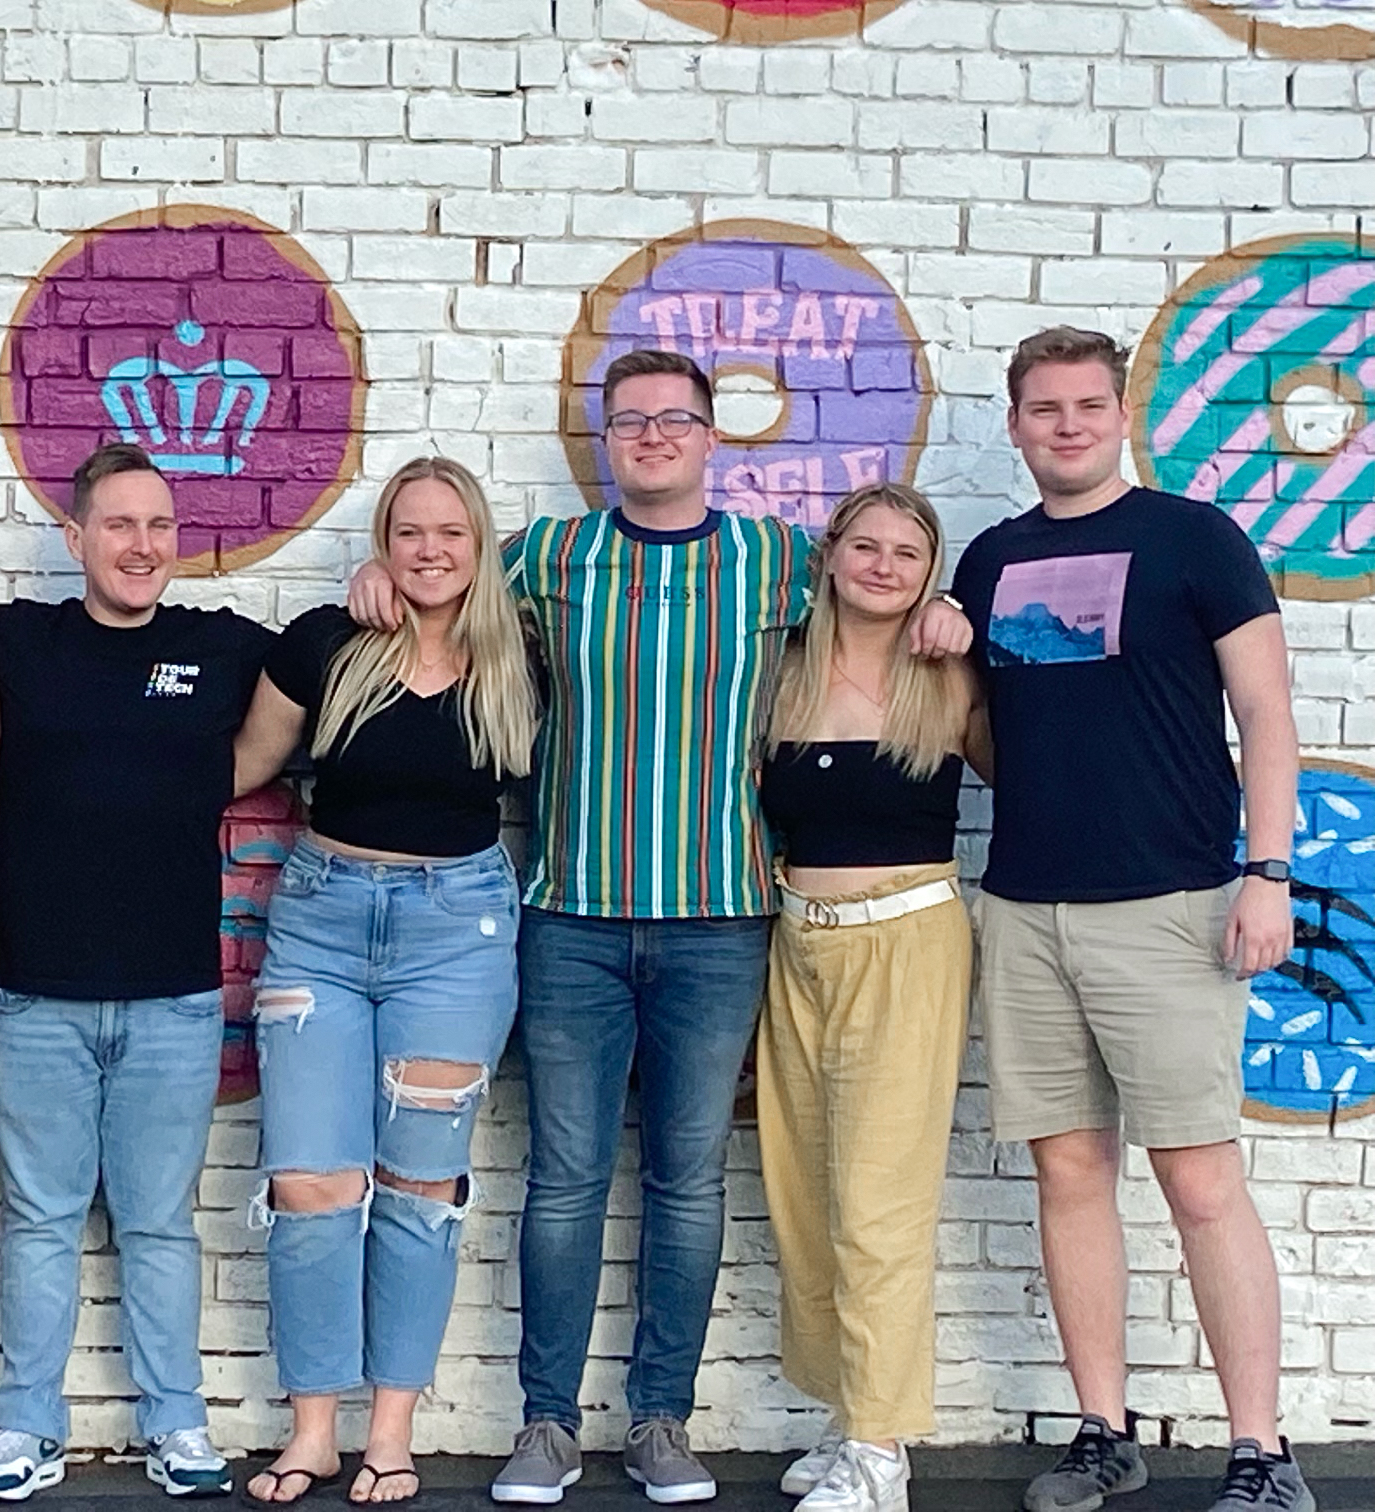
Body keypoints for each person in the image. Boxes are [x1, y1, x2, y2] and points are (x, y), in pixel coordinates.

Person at [349, 351, 971, 1507]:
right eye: (627, 421)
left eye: (672, 419)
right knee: (566, 1177)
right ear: (603, 440)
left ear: (708, 436)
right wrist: (371, 576)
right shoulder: (546, 558)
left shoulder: (780, 562)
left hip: (723, 921)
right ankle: (544, 1423)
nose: (650, 436)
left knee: (688, 1180)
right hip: (572, 919)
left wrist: (940, 606)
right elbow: (446, 581)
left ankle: (661, 1421)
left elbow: (878, 598)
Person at [950, 327, 1310, 1512]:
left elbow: (1265, 713)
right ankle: (1102, 1429)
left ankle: (1261, 1450)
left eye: (1087, 406)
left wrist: (1269, 871)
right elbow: (987, 731)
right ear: (1015, 424)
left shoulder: (1195, 537)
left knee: (1200, 1178)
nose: (1066, 425)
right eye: (1043, 407)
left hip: (1172, 907)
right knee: (1068, 1173)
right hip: (1026, 907)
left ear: (1120, 414)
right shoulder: (990, 562)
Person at [0, 444, 272, 1503]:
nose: (142, 546)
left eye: (159, 527)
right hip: (34, 988)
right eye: (120, 526)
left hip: (173, 994)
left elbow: (319, 674)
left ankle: (176, 1426)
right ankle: (24, 1429)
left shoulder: (219, 649)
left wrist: (369, 589)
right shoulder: (15, 640)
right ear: (76, 537)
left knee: (155, 1222)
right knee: (41, 1220)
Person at [231, 458, 540, 1507]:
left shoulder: (518, 655)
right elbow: (240, 768)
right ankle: (313, 1430)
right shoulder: (328, 641)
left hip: (457, 928)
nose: (431, 551)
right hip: (321, 918)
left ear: (481, 542)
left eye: (452, 532)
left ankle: (390, 1434)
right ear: (382, 542)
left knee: (419, 1192)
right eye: (409, 532)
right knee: (310, 1184)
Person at [755, 483, 987, 1512]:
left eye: (908, 552)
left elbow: (1047, 770)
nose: (886, 566)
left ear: (928, 570)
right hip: (798, 945)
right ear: (833, 555)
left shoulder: (948, 672)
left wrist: (978, 639)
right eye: (867, 546)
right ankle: (851, 1413)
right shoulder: (779, 669)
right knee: (807, 1199)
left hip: (908, 942)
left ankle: (883, 1456)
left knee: (878, 1209)